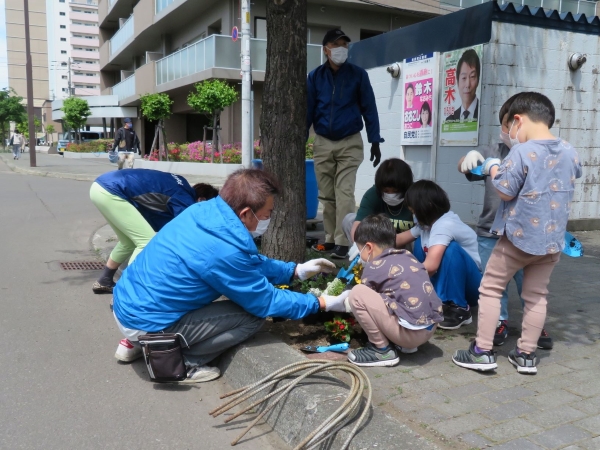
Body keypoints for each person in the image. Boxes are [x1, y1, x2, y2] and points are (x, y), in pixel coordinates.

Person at [111, 169, 350, 383]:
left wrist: (294, 271)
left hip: (127, 303)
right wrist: (322, 303)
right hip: (145, 321)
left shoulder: (202, 213)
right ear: (246, 213)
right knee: (252, 317)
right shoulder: (224, 250)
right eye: (267, 214)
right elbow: (265, 302)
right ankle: (182, 361)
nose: (268, 219)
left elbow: (246, 262)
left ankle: (137, 344)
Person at [452, 92, 582, 374]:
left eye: (509, 126)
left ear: (518, 120)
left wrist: (494, 166)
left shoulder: (521, 151)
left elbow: (504, 190)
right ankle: (525, 355)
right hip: (551, 243)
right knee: (537, 296)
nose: (509, 134)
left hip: (518, 239)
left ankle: (482, 351)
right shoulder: (570, 150)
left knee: (490, 289)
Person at [457, 94, 554, 350]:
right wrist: (467, 160)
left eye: (506, 125)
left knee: (527, 285)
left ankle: (532, 326)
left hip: (524, 236)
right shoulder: (493, 151)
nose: (504, 131)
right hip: (490, 233)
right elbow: (466, 165)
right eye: (501, 125)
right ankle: (499, 322)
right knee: (493, 286)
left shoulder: (539, 155)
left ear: (518, 124)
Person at [307, 28, 384, 259]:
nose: (342, 50)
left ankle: (344, 240)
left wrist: (374, 140)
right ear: (326, 50)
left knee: (344, 192)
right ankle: (330, 238)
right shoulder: (315, 76)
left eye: (345, 45)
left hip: (350, 141)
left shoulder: (358, 75)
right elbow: (309, 110)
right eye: (337, 45)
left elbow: (369, 108)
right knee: (327, 195)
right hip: (322, 141)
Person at [90, 169, 218, 294]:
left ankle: (104, 281)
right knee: (145, 241)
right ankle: (126, 292)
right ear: (202, 199)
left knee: (128, 242)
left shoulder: (181, 183)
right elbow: (185, 229)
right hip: (112, 191)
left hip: (100, 186)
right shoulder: (184, 198)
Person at [346, 215, 443, 367]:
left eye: (360, 250)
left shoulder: (374, 266)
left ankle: (381, 350)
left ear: (369, 247)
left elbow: (365, 301)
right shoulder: (407, 256)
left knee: (357, 294)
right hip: (430, 328)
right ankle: (406, 345)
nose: (360, 256)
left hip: (410, 334)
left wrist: (332, 301)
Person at [395, 180, 482, 329]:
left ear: (425, 207)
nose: (413, 215)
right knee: (418, 242)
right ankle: (436, 299)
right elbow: (399, 239)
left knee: (451, 249)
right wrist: (372, 245)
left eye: (414, 211)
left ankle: (460, 308)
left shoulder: (445, 225)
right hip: (453, 280)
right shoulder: (426, 225)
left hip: (473, 287)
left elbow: (430, 267)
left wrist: (401, 281)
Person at [343, 158, 414, 258]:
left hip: (407, 245)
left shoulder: (416, 196)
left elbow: (421, 230)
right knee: (349, 219)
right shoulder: (373, 194)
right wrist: (359, 245)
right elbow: (357, 224)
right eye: (386, 190)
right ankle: (364, 261)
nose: (390, 194)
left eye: (395, 190)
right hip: (379, 245)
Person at [445, 49, 480, 121]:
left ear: (478, 80)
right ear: (457, 82)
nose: (467, 85)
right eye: (464, 78)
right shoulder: (450, 119)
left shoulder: (484, 112)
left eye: (472, 76)